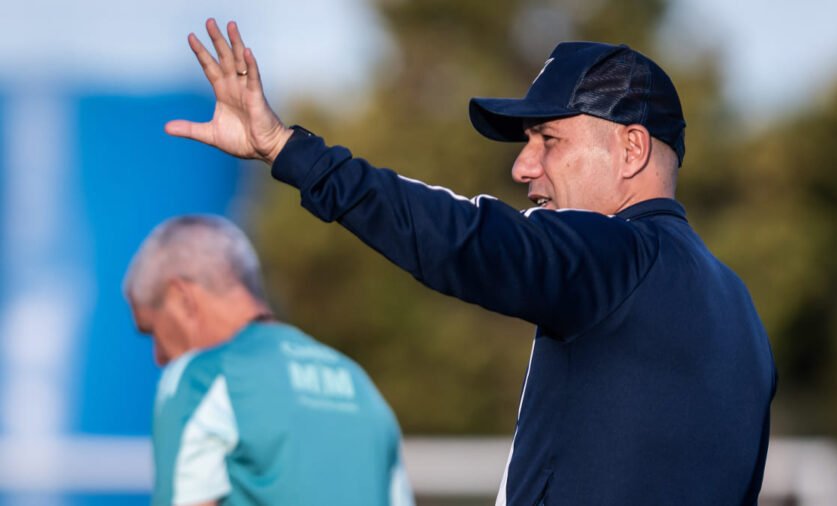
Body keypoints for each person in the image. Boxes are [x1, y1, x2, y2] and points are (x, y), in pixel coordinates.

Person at [166, 19, 777, 505]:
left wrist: (288, 151)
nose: (523, 166)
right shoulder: (743, 315)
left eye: (548, 139)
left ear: (631, 148)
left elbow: (463, 237)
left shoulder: (619, 255)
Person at [123, 215, 414, 506]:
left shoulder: (201, 378)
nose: (158, 358)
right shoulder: (360, 385)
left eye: (152, 332)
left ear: (183, 299)